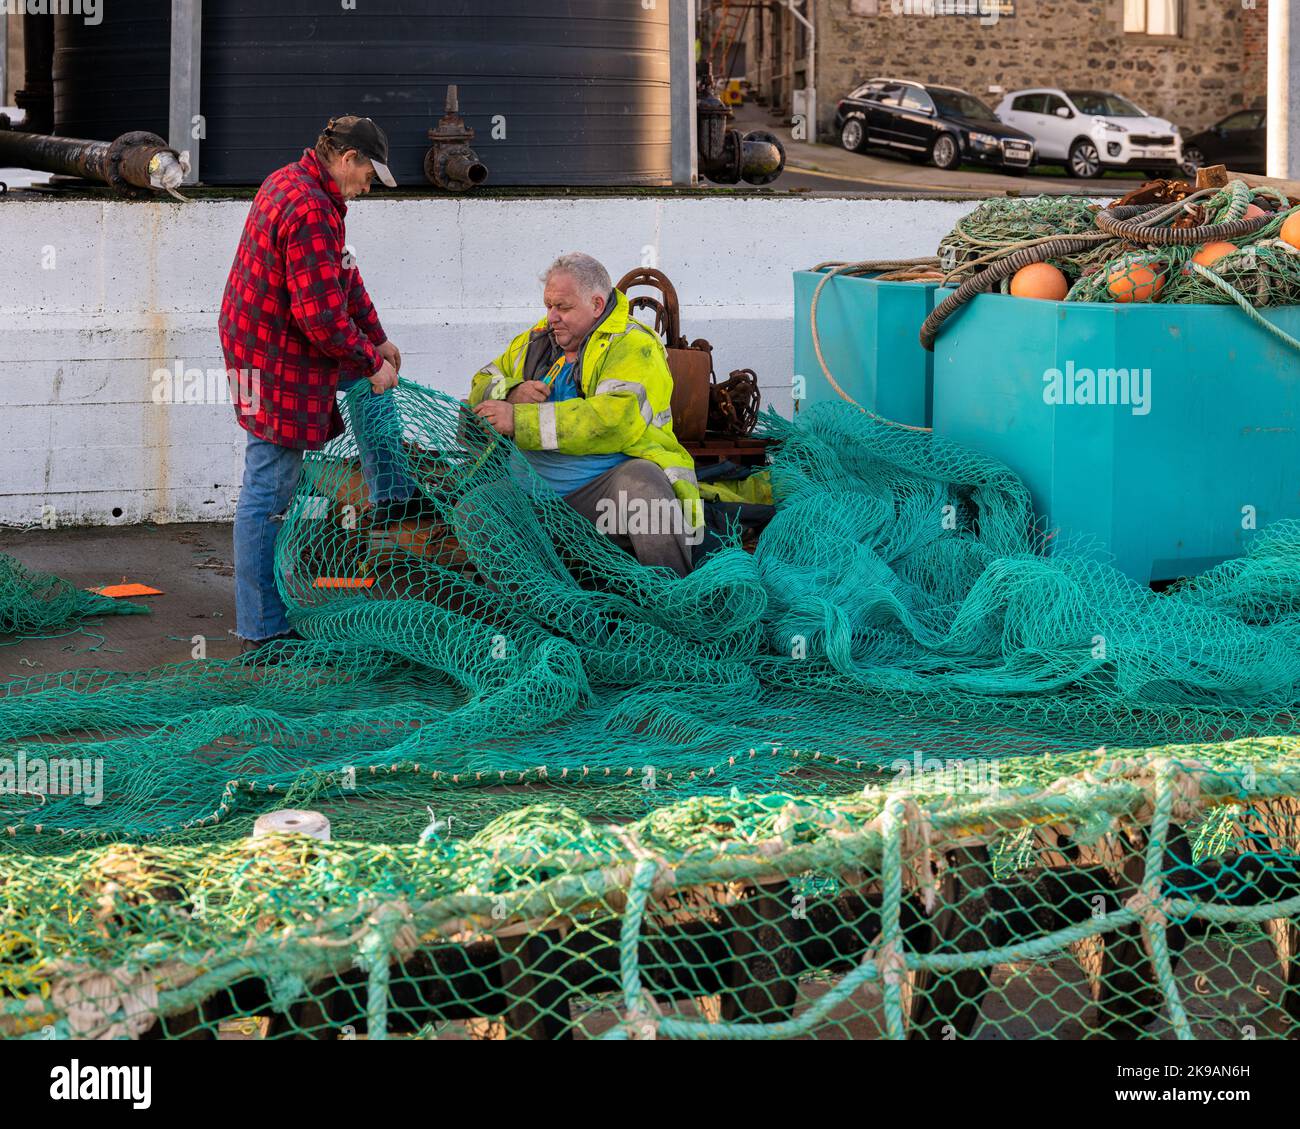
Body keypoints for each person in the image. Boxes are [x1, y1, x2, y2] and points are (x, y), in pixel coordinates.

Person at [220, 115, 424, 652]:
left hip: (271, 342)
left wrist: (377, 340)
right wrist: (369, 360)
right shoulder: (310, 208)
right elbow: (323, 321)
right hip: (273, 358)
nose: (368, 187)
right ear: (348, 159)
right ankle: (262, 629)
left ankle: (393, 498)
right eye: (369, 175)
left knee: (371, 387)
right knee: (269, 487)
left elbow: (343, 276)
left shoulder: (297, 182)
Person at [467, 253, 700, 577]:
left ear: (596, 304)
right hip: (530, 497)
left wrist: (519, 421)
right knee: (476, 509)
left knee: (644, 489)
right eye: (548, 305)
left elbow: (612, 421)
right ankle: (538, 603)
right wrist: (511, 391)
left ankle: (672, 598)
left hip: (601, 501)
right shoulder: (535, 340)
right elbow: (481, 380)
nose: (552, 317)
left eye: (563, 307)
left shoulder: (633, 345)